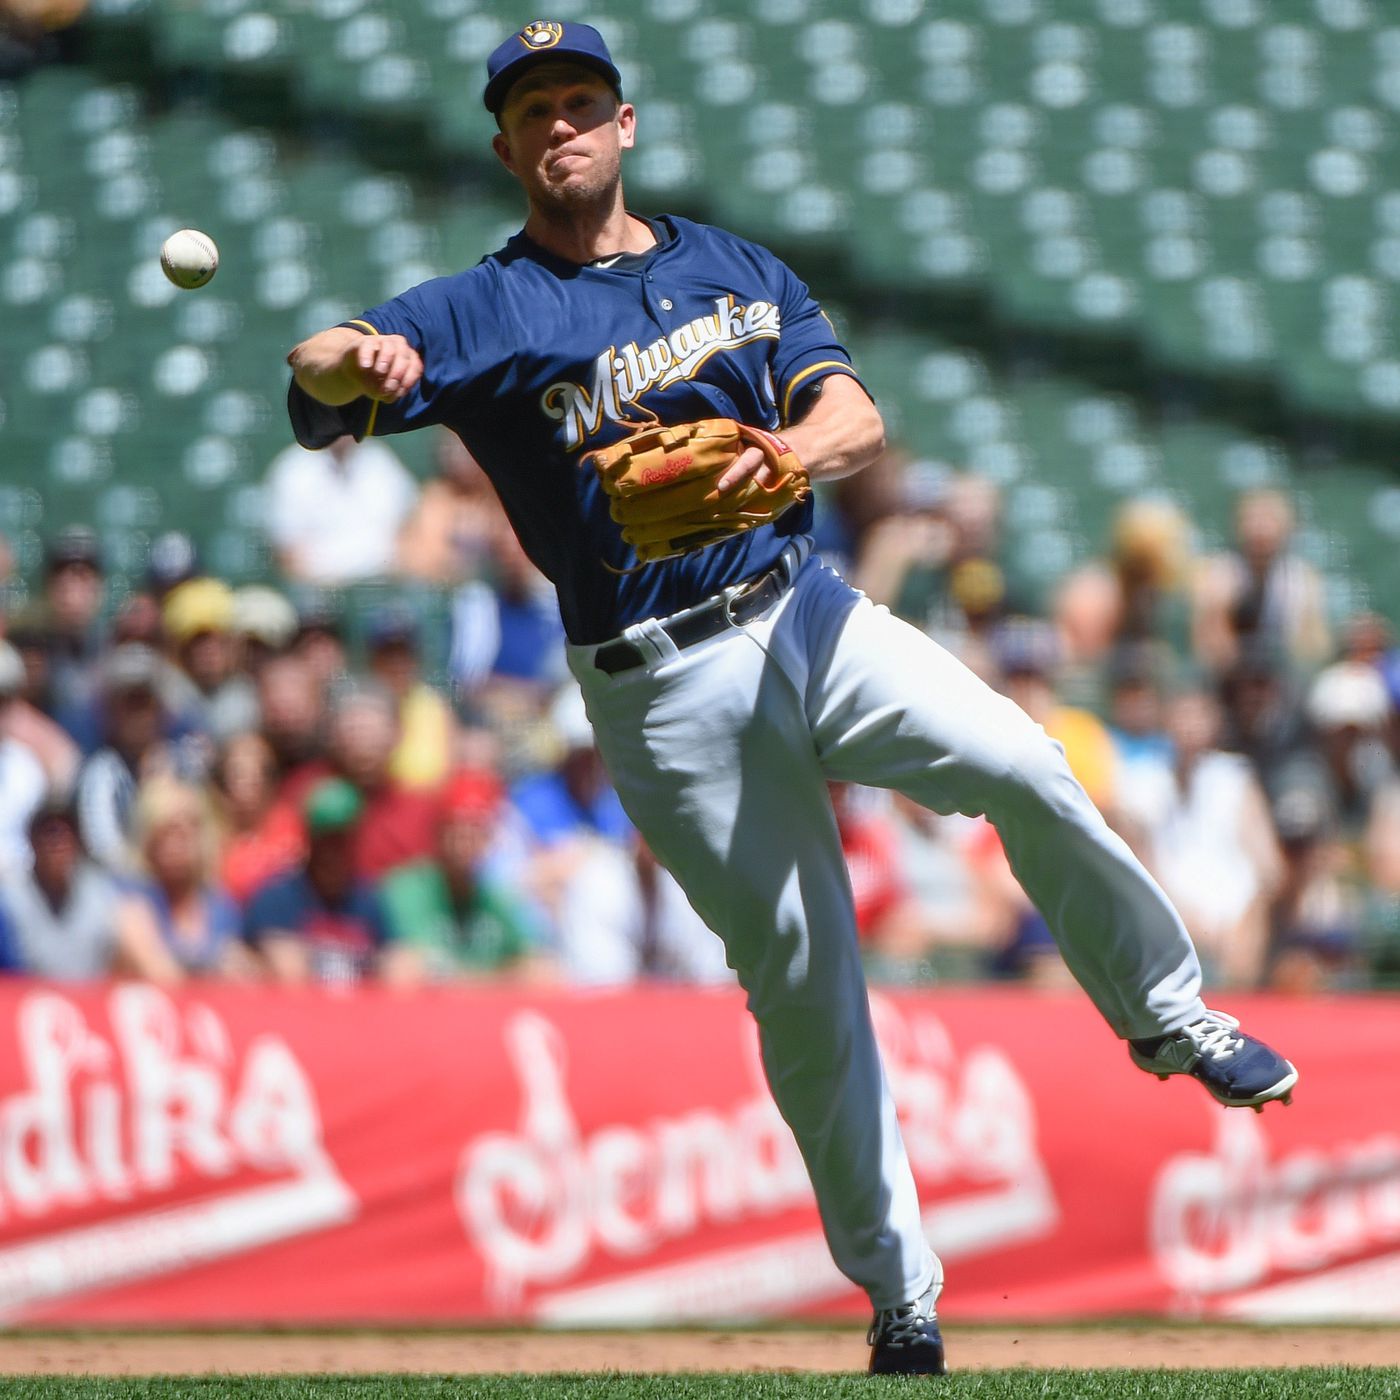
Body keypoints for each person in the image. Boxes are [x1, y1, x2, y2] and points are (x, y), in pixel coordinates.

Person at [283, 20, 1297, 1374]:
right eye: (534, 112)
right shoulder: (484, 309)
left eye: (581, 100)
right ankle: (904, 1300)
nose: (562, 126)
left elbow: (856, 419)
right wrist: (363, 361)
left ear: (625, 123)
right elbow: (315, 372)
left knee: (1026, 761)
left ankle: (1170, 1013)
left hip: (804, 609)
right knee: (809, 986)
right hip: (662, 687)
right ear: (505, 146)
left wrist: (780, 451)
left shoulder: (733, 266)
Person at [378, 767, 548, 982]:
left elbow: (533, 961)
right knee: (401, 967)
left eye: (476, 831)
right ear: (438, 833)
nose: (465, 843)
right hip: (430, 1009)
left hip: (484, 1006)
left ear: (490, 839)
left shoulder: (497, 895)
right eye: (456, 831)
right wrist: (496, 980)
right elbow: (409, 966)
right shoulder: (407, 889)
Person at [242, 777, 392, 985]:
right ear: (309, 841)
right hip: (291, 1013)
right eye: (325, 842)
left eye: (341, 842)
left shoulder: (369, 899)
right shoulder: (274, 898)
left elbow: (394, 958)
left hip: (357, 1013)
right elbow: (241, 964)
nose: (332, 853)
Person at [114, 776, 246, 980]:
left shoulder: (220, 905)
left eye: (186, 829)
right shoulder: (130, 900)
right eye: (166, 831)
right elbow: (157, 973)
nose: (175, 843)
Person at [262, 431, 419, 585]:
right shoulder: (293, 468)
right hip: (320, 594)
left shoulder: (381, 461)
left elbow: (407, 534)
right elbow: (288, 557)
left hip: (380, 587)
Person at [0, 801, 122, 979]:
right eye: (49, 833)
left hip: (91, 1000)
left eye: (66, 833)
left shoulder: (102, 895)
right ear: (32, 840)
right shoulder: (9, 901)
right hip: (29, 1000)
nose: (57, 843)